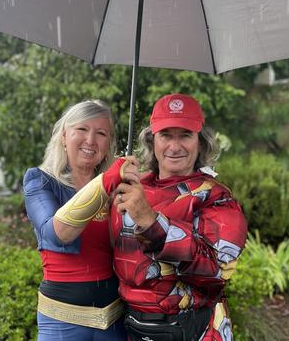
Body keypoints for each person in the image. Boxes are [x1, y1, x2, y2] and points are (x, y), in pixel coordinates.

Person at [105, 93, 248, 340]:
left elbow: (217, 270)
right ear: (152, 141)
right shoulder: (132, 187)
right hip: (134, 330)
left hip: (196, 330)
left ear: (201, 142)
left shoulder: (216, 197)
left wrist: (151, 223)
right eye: (165, 135)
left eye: (185, 135)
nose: (174, 146)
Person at [22, 100, 126, 341]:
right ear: (63, 136)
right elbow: (56, 234)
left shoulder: (117, 187)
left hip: (114, 318)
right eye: (82, 129)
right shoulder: (39, 180)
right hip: (61, 321)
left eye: (101, 133)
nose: (91, 140)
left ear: (108, 144)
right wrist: (105, 182)